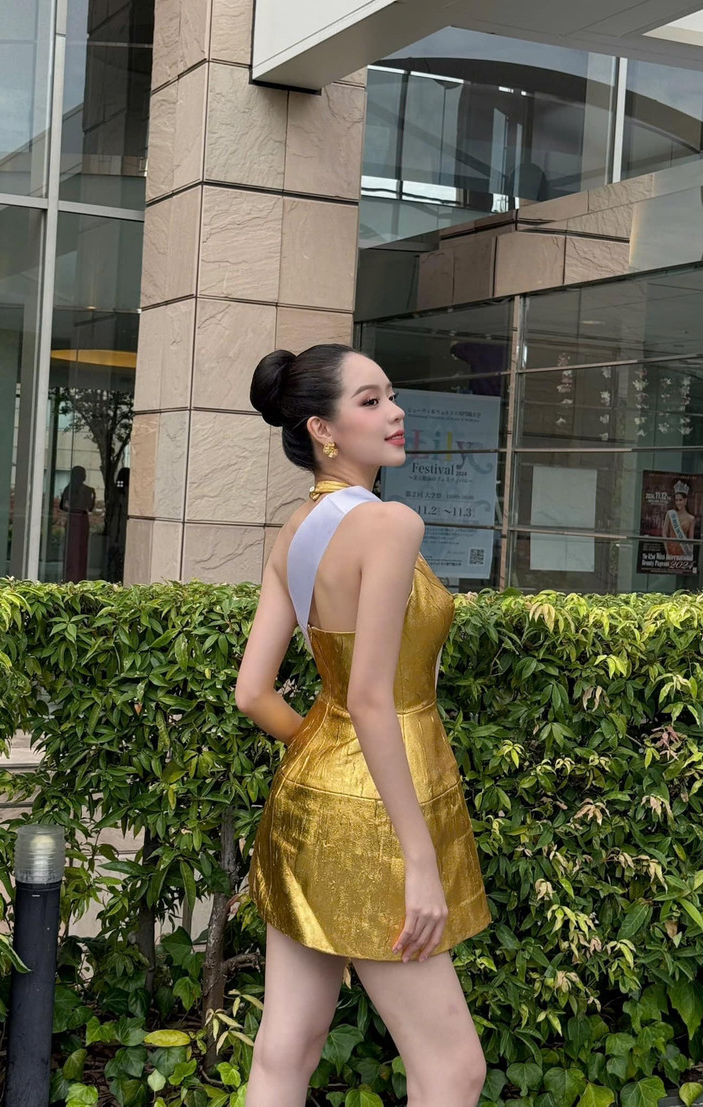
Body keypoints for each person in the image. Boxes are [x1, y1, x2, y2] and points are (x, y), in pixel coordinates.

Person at [235, 344, 491, 1107]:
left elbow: (253, 693)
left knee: (287, 1049)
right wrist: (419, 857)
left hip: (308, 796)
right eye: (371, 400)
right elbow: (375, 700)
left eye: (391, 394)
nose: (395, 411)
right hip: (381, 808)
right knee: (453, 1069)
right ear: (322, 428)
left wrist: (323, 752)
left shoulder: (296, 531)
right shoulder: (390, 524)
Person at [59, 465, 96, 582]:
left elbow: (89, 508)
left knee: (79, 549)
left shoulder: (86, 490)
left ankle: (78, 576)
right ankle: (72, 576)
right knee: (73, 549)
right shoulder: (70, 489)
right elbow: (63, 506)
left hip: (79, 518)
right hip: (76, 518)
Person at [662, 480, 695, 562]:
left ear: (685, 500)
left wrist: (690, 556)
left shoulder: (691, 519)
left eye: (680, 500)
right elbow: (664, 533)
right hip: (670, 552)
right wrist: (667, 551)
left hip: (684, 553)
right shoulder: (670, 514)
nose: (678, 502)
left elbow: (691, 540)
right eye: (676, 500)